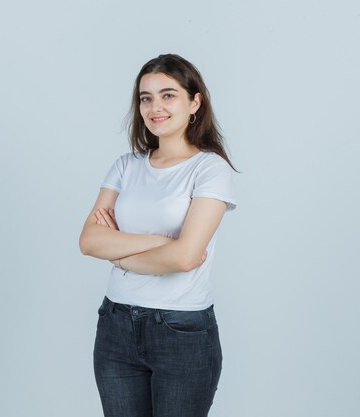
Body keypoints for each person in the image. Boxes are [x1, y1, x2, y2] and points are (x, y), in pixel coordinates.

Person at [78, 53, 239, 417]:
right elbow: (89, 241)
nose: (155, 107)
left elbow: (184, 260)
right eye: (146, 97)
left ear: (194, 102)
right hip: (116, 325)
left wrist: (117, 251)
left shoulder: (210, 169)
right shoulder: (126, 166)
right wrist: (163, 243)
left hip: (181, 330)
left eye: (168, 95)